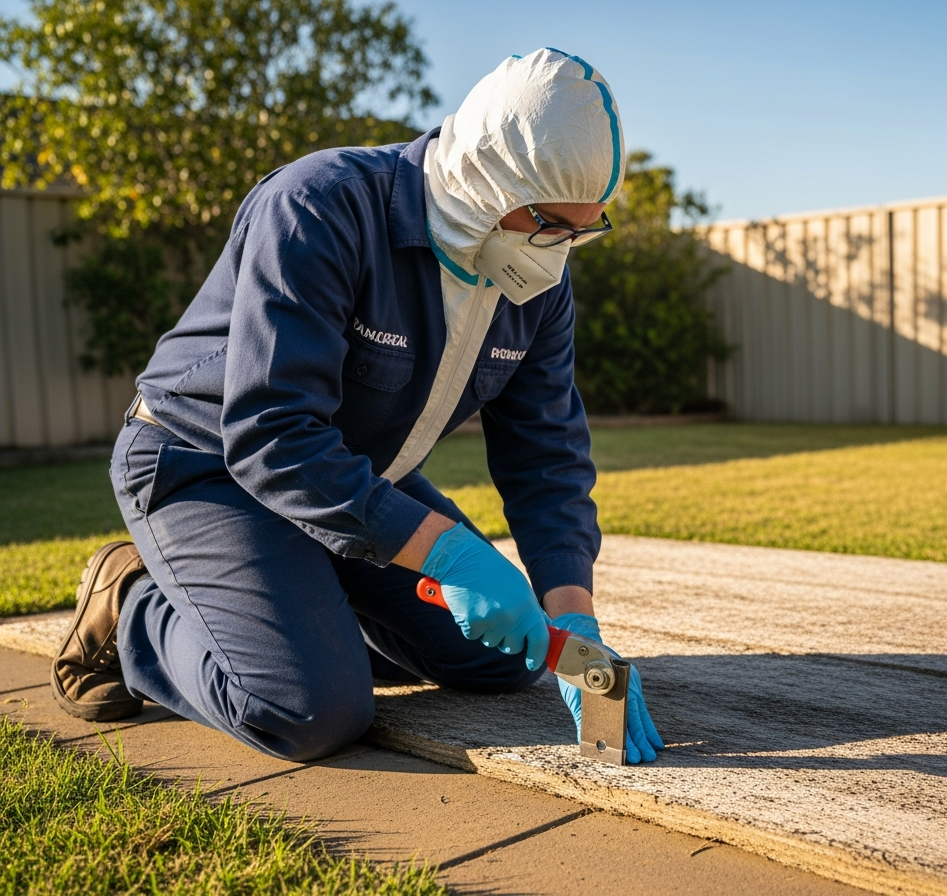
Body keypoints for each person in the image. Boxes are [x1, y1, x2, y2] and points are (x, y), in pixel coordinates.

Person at [49, 48, 664, 766]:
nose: (557, 255)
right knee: (308, 707)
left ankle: (303, 618)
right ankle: (135, 612)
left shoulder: (537, 288)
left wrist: (573, 624)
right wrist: (442, 550)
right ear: (486, 177)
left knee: (509, 659)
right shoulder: (319, 205)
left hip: (354, 477)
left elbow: (548, 458)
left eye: (581, 231)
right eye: (548, 223)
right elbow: (270, 435)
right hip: (205, 463)